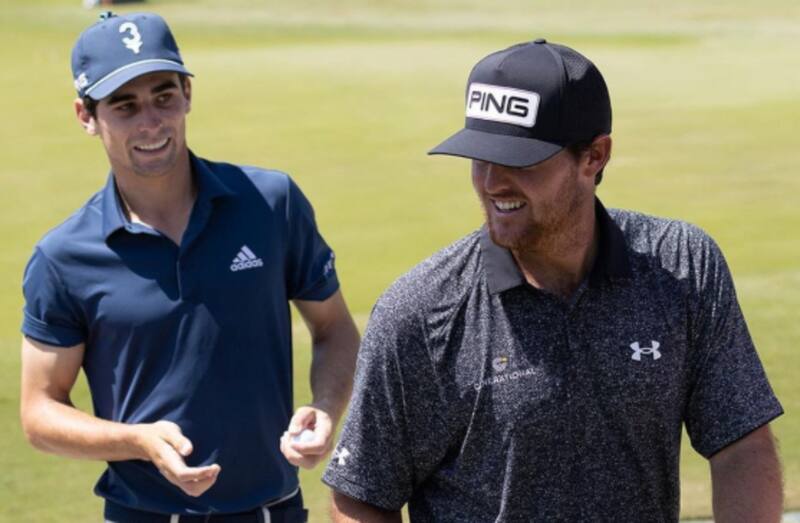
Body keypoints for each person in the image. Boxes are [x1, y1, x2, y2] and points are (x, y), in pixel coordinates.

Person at [322, 39, 783, 522]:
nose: (492, 182)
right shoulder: (418, 311)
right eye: (480, 158)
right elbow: (361, 495)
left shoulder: (683, 265)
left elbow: (740, 445)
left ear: (595, 156)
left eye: (519, 161)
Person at [20, 11, 359, 523]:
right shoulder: (64, 256)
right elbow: (39, 411)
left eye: (164, 96)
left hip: (274, 512)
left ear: (188, 95)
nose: (151, 122)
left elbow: (334, 328)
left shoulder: (270, 203)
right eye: (125, 105)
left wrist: (326, 409)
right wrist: (135, 441)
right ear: (86, 116)